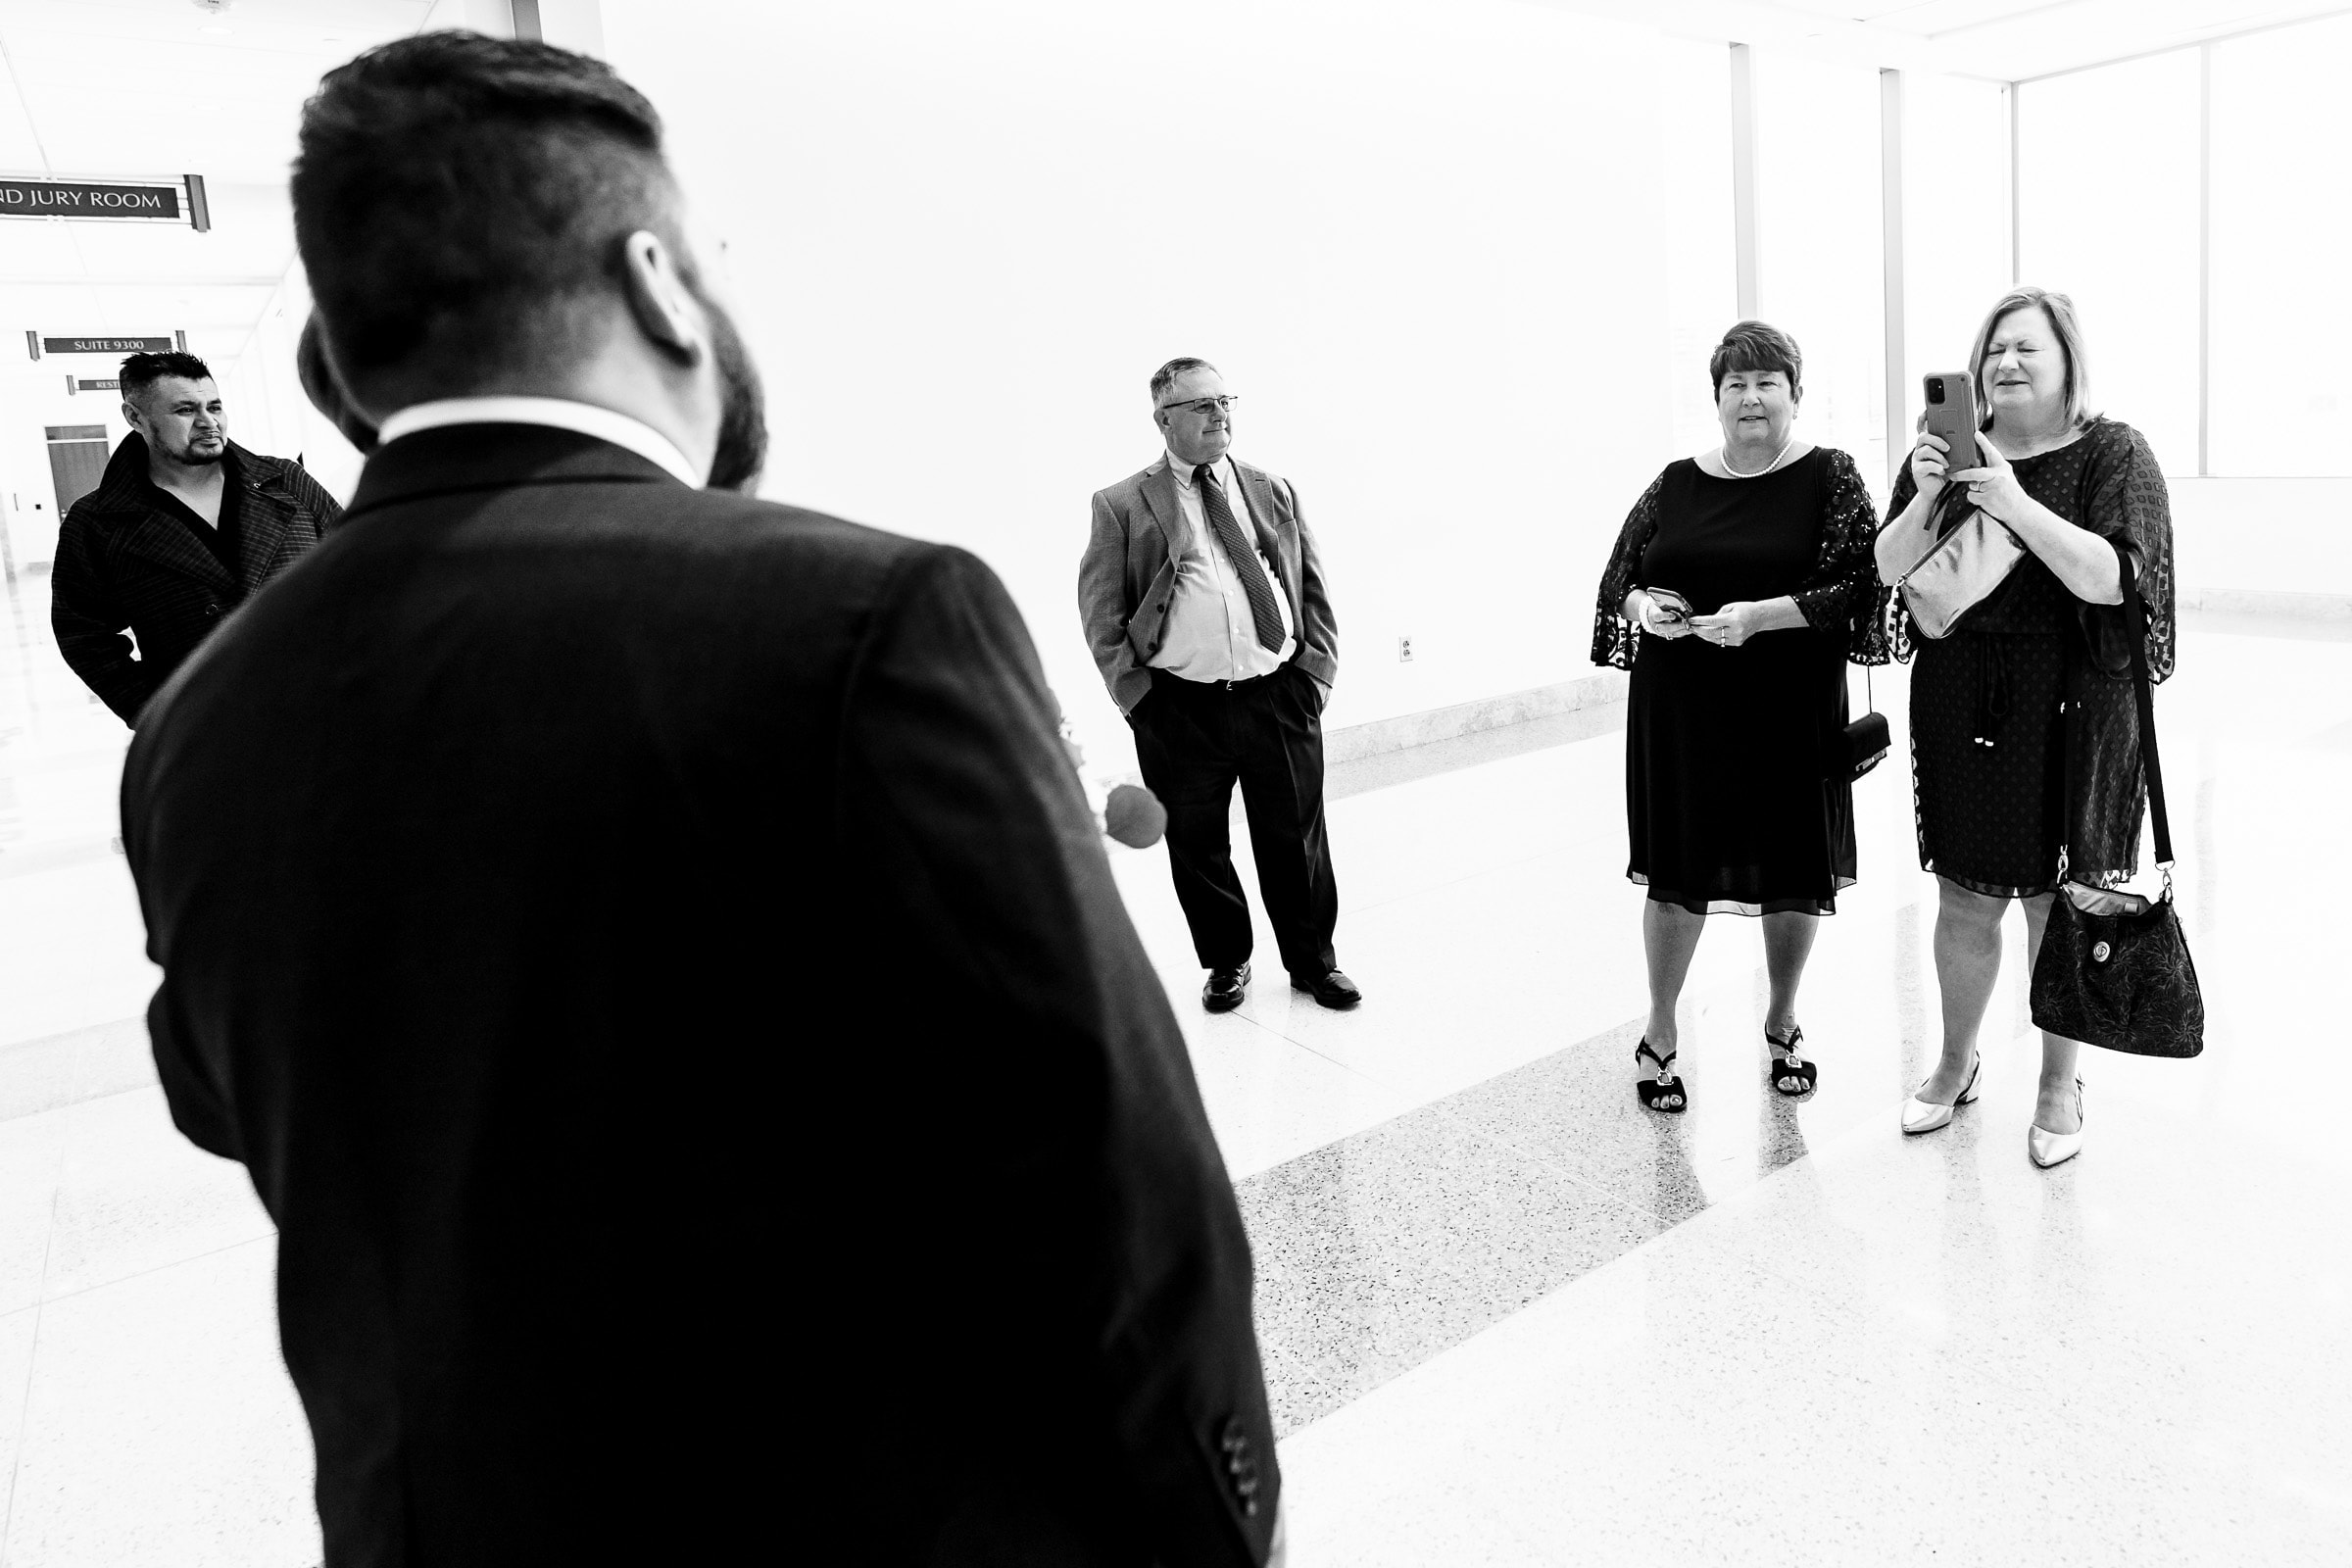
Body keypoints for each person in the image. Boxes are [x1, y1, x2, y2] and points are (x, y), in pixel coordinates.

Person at [122, 33, 1282, 1567]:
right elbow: (1114, 1175)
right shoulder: (867, 617)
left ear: (337, 372)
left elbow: (227, 1104)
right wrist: (1226, 1519)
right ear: (662, 280)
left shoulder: (200, 722)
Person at [1875, 286, 2175, 1169]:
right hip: (1964, 700)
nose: (2006, 363)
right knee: (1966, 895)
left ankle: (2056, 1081)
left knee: (2057, 897)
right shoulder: (1947, 453)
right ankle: (1955, 1060)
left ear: (2066, 362)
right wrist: (1930, 495)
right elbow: (1890, 568)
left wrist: (2009, 499)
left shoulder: (2113, 452)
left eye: (2027, 349)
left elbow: (2114, 579)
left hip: (2078, 705)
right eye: (1995, 348)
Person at [1592, 320, 1886, 1113]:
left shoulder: (1831, 477)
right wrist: (1644, 607)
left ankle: (1784, 1018)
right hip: (1681, 704)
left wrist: (1762, 616)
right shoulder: (1676, 481)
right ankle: (1659, 1028)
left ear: (1795, 393)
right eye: (1736, 384)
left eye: (1767, 383)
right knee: (1676, 869)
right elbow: (1619, 578)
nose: (1751, 397)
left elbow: (1860, 587)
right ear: (1716, 398)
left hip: (1788, 701)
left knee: (1792, 868)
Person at [1079, 359, 1355, 1014]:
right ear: (1163, 419)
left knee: (1296, 835)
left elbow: (1308, 584)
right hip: (1179, 704)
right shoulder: (1122, 504)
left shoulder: (1270, 487)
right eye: (1201, 406)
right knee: (1198, 844)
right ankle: (1227, 961)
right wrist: (1140, 702)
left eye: (1224, 401)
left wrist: (1313, 673)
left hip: (1275, 694)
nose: (1219, 415)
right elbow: (1101, 613)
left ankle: (1315, 961)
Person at [49, 350, 342, 724]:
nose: (209, 422)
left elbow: (364, 569)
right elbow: (83, 634)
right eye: (185, 410)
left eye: (215, 407)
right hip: (207, 727)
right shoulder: (98, 521)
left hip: (326, 704)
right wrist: (155, 714)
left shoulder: (286, 482)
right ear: (135, 417)